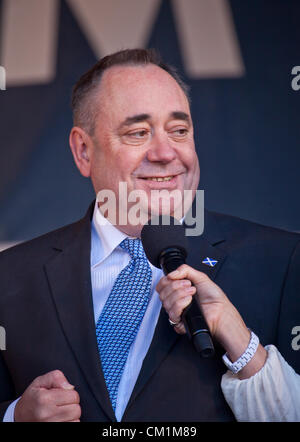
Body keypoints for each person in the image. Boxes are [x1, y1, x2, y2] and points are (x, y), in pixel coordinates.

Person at [0, 48, 299, 422]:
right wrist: (15, 416)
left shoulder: (280, 260)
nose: (164, 152)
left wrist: (243, 346)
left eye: (179, 130)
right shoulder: (9, 276)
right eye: (138, 132)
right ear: (83, 151)